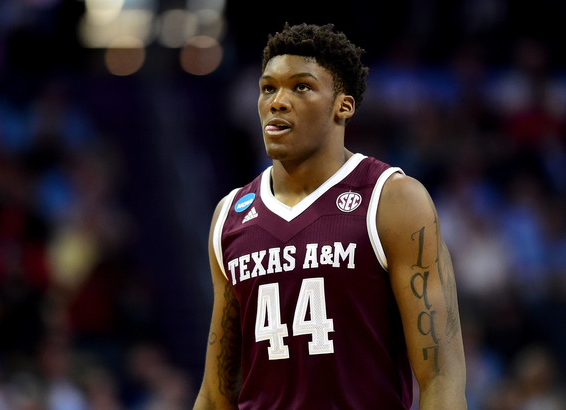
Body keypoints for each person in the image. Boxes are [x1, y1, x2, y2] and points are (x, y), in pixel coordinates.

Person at [194, 23, 467, 409]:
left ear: (344, 105)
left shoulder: (393, 199)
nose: (277, 101)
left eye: (301, 87)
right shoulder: (229, 216)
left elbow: (441, 376)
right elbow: (215, 394)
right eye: (268, 88)